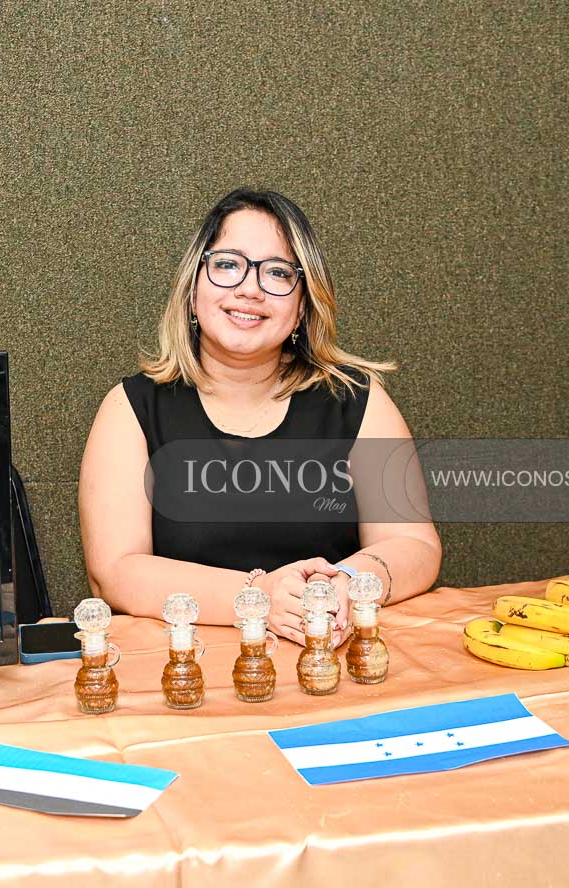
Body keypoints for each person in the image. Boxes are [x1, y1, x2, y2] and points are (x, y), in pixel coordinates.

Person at [79, 188, 441, 646]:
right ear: (192, 291)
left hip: (327, 656)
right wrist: (258, 596)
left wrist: (347, 581)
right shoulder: (131, 408)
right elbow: (114, 572)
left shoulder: (356, 400)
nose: (250, 289)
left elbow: (415, 546)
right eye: (228, 264)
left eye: (277, 272)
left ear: (302, 307)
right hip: (185, 668)